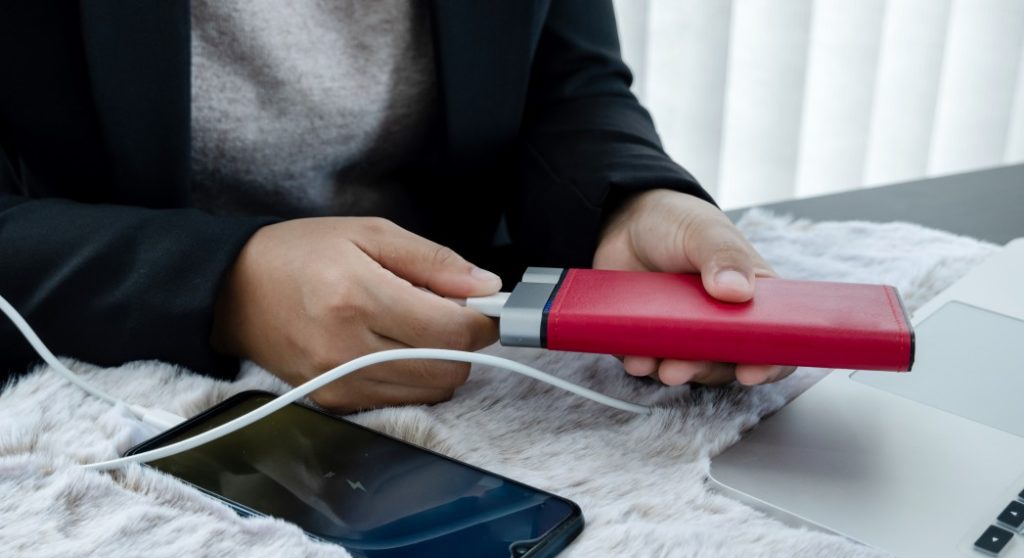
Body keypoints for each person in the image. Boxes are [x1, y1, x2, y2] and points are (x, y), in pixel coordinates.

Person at [0, 0, 790, 412]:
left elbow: (567, 82)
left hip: (461, 376)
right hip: (116, 397)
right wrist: (225, 284)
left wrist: (628, 205)